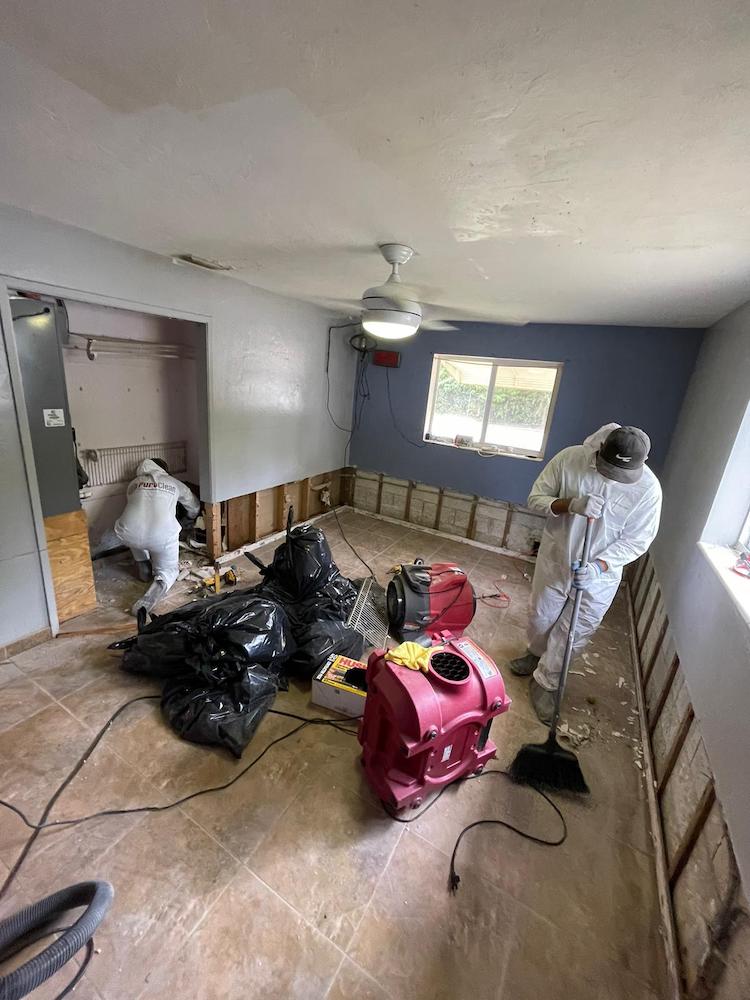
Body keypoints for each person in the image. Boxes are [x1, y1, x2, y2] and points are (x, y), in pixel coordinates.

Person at [510, 424, 662, 725]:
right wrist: (571, 504)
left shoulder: (649, 491)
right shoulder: (570, 459)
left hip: (599, 575)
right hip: (557, 558)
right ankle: (535, 652)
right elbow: (536, 497)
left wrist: (599, 567)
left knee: (574, 631)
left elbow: (638, 540)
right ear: (600, 449)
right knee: (541, 615)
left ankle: (546, 683)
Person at [114, 458, 200, 617]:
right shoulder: (172, 482)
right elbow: (192, 504)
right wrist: (193, 516)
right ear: (164, 470)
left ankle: (143, 563)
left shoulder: (133, 483)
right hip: (162, 535)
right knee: (169, 570)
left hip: (127, 532)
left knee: (136, 529)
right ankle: (155, 589)